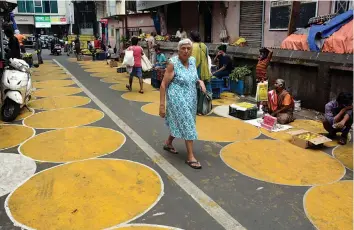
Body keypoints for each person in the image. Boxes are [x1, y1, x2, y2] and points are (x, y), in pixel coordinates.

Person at [159, 39, 206, 169]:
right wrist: (162, 105)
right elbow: (163, 85)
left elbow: (194, 77)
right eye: (183, 48)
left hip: (191, 98)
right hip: (176, 98)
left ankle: (168, 143)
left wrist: (200, 81)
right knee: (187, 123)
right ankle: (190, 157)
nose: (186, 51)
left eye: (188, 48)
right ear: (178, 50)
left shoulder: (192, 61)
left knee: (181, 121)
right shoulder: (173, 63)